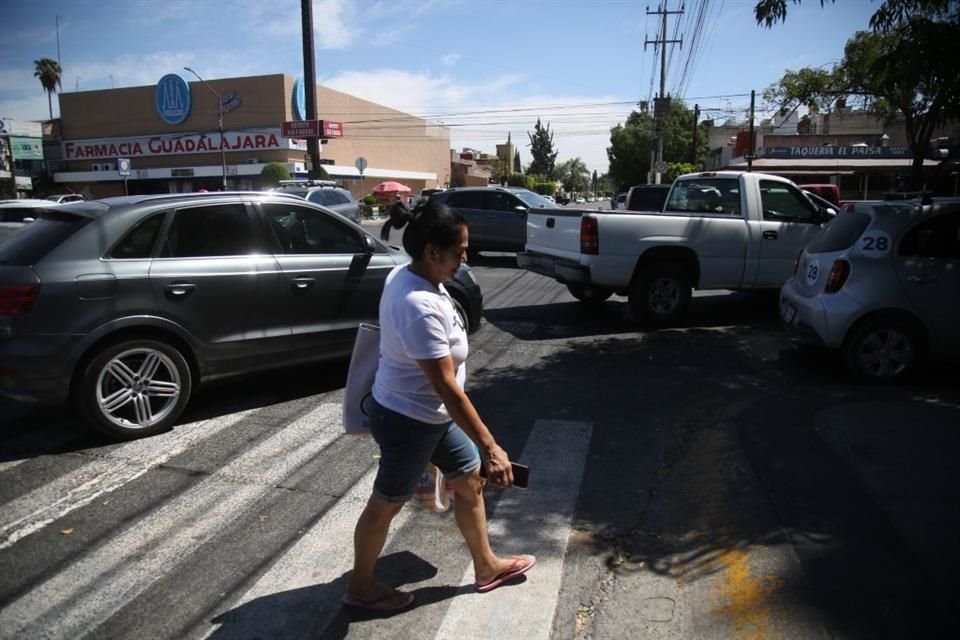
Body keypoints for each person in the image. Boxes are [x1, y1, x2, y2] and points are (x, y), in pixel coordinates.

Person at [344, 200, 536, 612]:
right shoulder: (419, 305)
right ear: (433, 251)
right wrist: (492, 447)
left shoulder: (409, 273)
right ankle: (360, 586)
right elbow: (447, 387)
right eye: (460, 250)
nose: (466, 258)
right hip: (409, 421)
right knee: (385, 505)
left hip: (430, 416)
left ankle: (486, 566)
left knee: (468, 481)